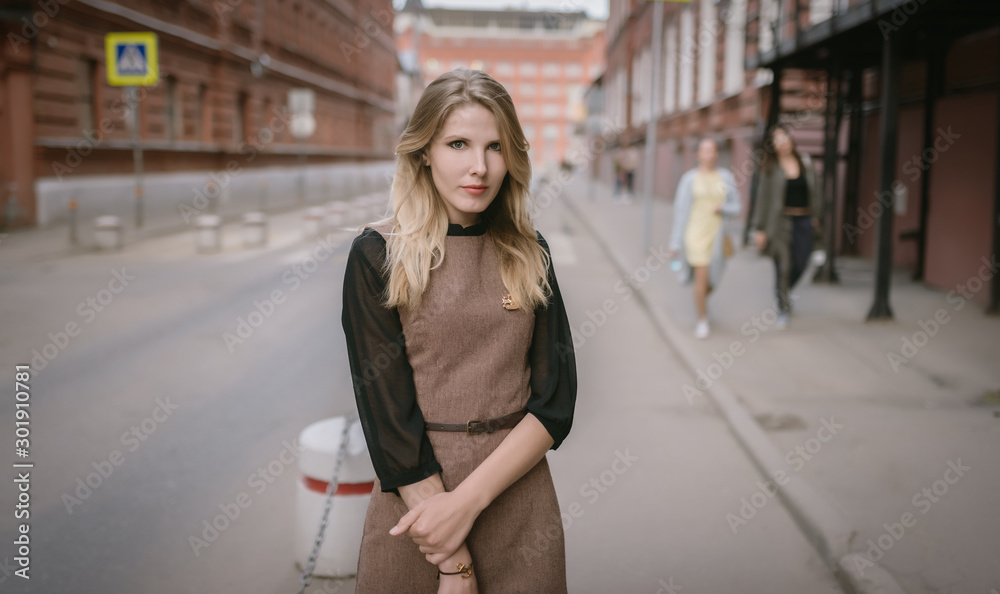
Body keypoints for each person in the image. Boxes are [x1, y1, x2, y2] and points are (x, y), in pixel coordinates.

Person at [341, 67, 577, 593]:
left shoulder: (530, 252)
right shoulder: (378, 255)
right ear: (423, 152)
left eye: (495, 147)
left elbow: (555, 403)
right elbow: (389, 421)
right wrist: (455, 563)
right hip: (417, 513)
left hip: (519, 501)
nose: (479, 167)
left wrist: (466, 504)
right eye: (458, 144)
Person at [667, 138, 742, 339]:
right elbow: (680, 211)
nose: (709, 154)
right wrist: (675, 242)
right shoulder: (689, 179)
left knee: (713, 280)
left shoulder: (726, 177)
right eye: (705, 150)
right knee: (701, 278)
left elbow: (737, 208)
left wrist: (722, 208)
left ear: (717, 154)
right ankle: (702, 319)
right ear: (698, 154)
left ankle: (700, 300)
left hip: (717, 236)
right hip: (694, 235)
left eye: (712, 150)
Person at [751, 125, 822, 329]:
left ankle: (783, 292)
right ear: (773, 145)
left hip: (803, 221)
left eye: (785, 138)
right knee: (783, 267)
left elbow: (815, 192)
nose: (782, 143)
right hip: (779, 224)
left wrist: (816, 217)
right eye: (777, 140)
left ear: (791, 140)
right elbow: (762, 200)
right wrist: (760, 229)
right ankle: (783, 307)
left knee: (801, 262)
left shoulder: (805, 163)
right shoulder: (770, 168)